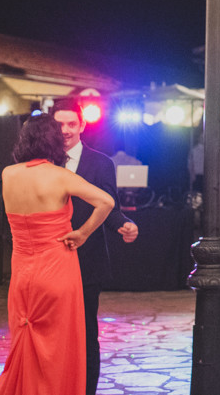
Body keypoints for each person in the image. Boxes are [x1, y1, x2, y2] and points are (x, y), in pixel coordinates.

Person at [0, 114, 116, 395]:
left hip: (23, 271)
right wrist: (83, 233)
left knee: (25, 339)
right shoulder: (61, 176)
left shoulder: (9, 173)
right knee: (58, 348)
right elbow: (106, 202)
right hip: (57, 269)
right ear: (53, 141)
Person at [51, 99, 139, 395]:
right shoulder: (42, 162)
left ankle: (86, 389)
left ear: (82, 126)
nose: (65, 130)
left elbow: (109, 207)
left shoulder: (101, 162)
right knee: (51, 332)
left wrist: (123, 224)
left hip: (87, 259)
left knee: (87, 332)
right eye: (59, 124)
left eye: (71, 124)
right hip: (49, 258)